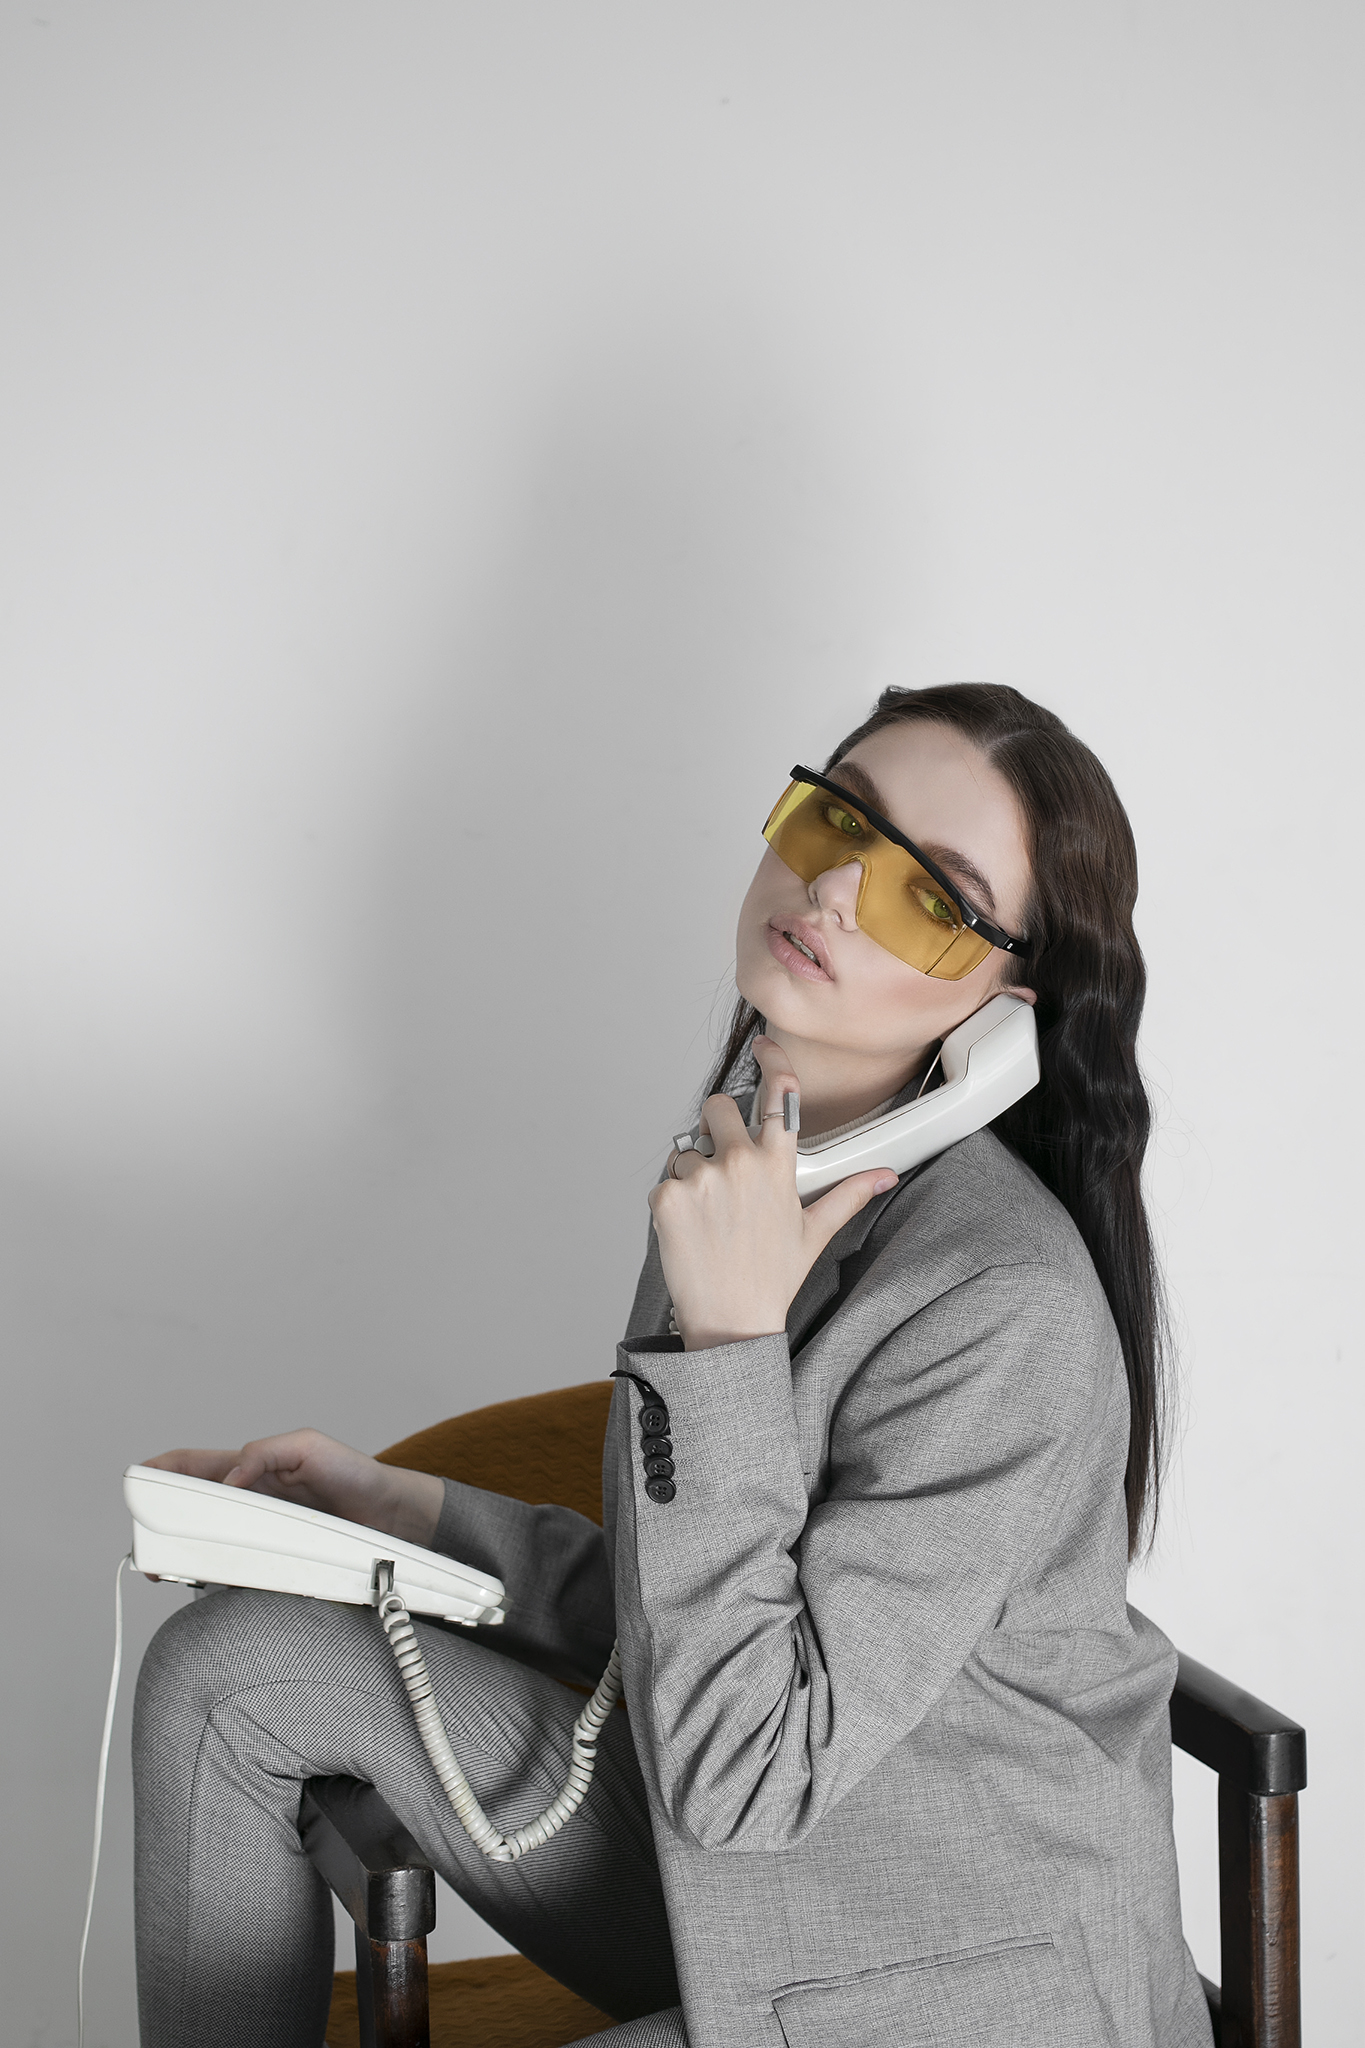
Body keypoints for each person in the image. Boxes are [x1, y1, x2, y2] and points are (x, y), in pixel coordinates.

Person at [133, 683, 1213, 2047]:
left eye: (930, 897)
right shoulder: (747, 1171)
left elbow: (748, 1771)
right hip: (747, 1870)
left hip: (964, 1973)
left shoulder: (1002, 1305)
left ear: (1008, 1001)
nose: (834, 888)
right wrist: (405, 1512)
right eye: (837, 820)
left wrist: (729, 1345)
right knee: (227, 1668)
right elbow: (697, 1619)